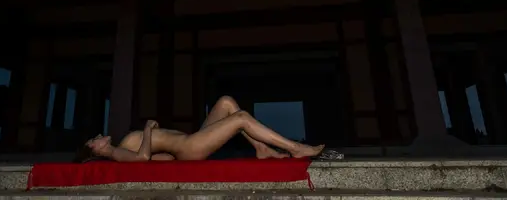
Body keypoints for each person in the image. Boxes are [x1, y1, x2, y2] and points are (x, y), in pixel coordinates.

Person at [74, 95, 325, 162]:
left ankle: (262, 148)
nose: (97, 136)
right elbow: (142, 158)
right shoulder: (117, 151)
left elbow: (156, 158)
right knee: (241, 118)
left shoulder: (122, 147)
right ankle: (296, 148)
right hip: (190, 146)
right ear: (97, 151)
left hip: (190, 142)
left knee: (226, 103)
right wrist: (148, 130)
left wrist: (171, 154)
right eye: (93, 141)